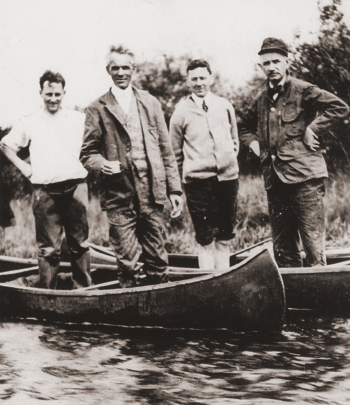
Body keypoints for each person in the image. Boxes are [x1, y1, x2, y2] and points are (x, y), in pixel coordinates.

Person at [240, 37, 349, 267]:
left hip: (305, 179)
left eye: (276, 62)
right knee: (283, 250)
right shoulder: (261, 100)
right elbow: (244, 127)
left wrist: (313, 128)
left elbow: (339, 107)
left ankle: (318, 300)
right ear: (261, 67)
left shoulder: (302, 90)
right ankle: (291, 300)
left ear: (287, 62)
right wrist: (254, 144)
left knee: (312, 247)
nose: (272, 68)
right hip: (275, 182)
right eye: (266, 63)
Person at [80, 45, 183, 288]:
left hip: (152, 194)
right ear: (108, 70)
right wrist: (102, 164)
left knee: (158, 259)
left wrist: (175, 191)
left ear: (134, 69)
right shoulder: (97, 108)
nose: (121, 72)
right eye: (115, 67)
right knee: (128, 263)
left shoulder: (150, 103)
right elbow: (87, 153)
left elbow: (166, 151)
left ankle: (160, 312)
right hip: (119, 196)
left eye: (126, 67)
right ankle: (132, 315)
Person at [0, 70, 92, 289]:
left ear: (64, 93)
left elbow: (95, 141)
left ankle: (85, 292)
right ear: (41, 93)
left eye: (57, 94)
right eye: (48, 94)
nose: (53, 99)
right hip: (45, 191)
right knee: (49, 249)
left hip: (75, 187)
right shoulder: (30, 121)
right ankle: (47, 296)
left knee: (79, 244)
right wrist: (25, 167)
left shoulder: (78, 119)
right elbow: (5, 145)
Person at [170, 59, 239, 270]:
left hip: (227, 180)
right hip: (198, 184)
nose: (199, 83)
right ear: (187, 81)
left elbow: (234, 140)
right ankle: (209, 286)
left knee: (225, 236)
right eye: (194, 79)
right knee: (206, 238)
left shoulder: (225, 105)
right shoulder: (181, 112)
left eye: (203, 77)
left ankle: (225, 283)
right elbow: (174, 154)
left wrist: (227, 161)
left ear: (211, 78)